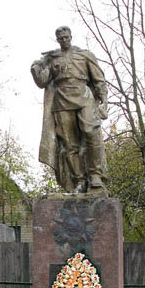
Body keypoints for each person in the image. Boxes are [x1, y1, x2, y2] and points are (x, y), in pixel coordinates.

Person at [31, 26, 108, 194]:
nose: (64, 40)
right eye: (61, 38)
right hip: (62, 101)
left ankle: (95, 175)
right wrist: (36, 66)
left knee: (90, 131)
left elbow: (99, 80)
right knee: (68, 143)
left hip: (83, 96)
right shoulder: (53, 58)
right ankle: (78, 180)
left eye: (66, 37)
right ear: (57, 39)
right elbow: (42, 81)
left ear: (71, 37)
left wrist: (103, 101)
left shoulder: (84, 55)